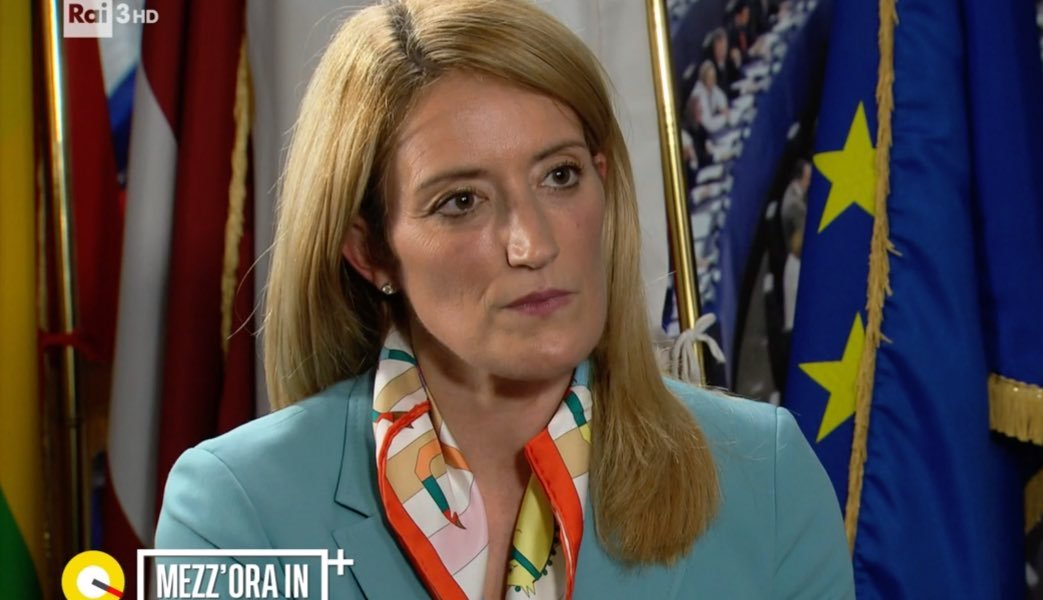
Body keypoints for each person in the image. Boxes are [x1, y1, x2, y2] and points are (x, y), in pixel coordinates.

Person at [154, 1, 854, 599]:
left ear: (603, 181)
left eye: (560, 176)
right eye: (461, 201)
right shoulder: (239, 509)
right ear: (370, 251)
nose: (533, 244)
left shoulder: (765, 477)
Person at [688, 60, 731, 134]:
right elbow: (709, 125)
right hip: (698, 133)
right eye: (710, 78)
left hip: (709, 130)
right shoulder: (699, 94)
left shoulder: (711, 87)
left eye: (714, 77)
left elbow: (722, 98)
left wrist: (723, 109)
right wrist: (725, 117)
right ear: (703, 79)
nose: (713, 81)